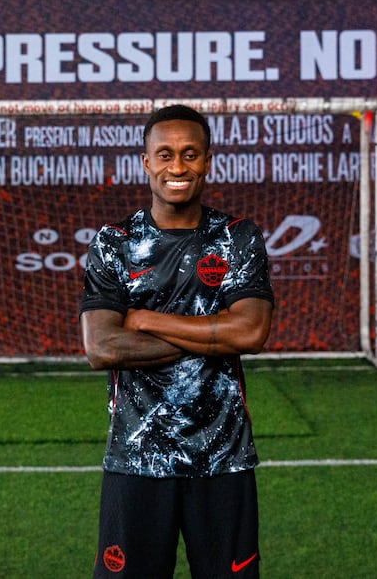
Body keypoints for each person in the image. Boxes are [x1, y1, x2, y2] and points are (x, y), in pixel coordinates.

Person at [80, 104, 274, 578]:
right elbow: (102, 348)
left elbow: (249, 331)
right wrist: (213, 335)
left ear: (208, 160)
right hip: (137, 454)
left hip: (223, 457)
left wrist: (144, 319)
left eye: (190, 154)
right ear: (146, 162)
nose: (177, 167)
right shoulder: (115, 242)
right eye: (164, 154)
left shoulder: (238, 238)